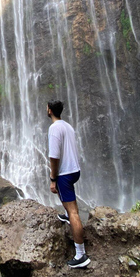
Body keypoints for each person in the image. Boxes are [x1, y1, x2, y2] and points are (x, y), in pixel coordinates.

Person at [47, 100, 90, 268]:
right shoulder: (68, 126)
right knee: (69, 206)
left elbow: (54, 156)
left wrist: (53, 178)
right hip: (74, 170)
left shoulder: (54, 128)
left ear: (49, 111)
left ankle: (81, 254)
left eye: (47, 107)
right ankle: (67, 213)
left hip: (64, 173)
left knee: (74, 213)